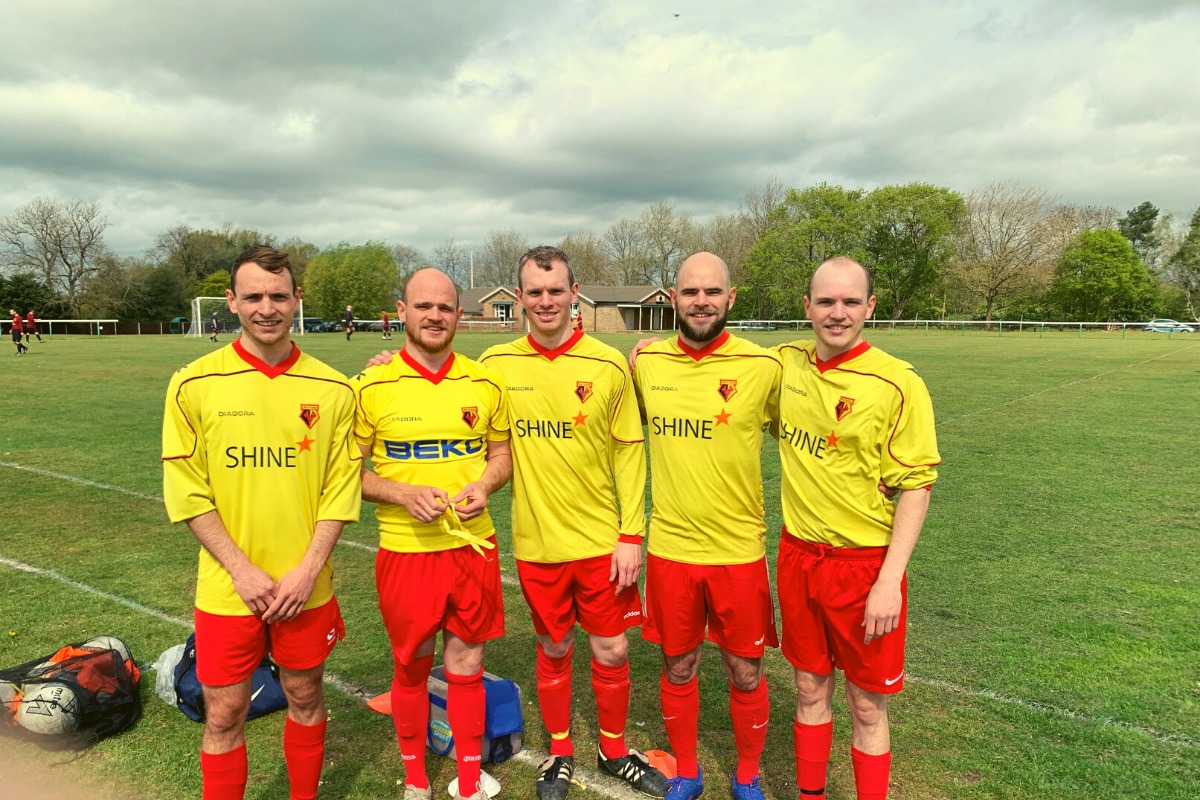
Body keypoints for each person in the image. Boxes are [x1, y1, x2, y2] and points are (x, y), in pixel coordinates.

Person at [161, 245, 362, 800]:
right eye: (253, 296)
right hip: (230, 588)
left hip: (307, 583)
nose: (266, 308)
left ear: (298, 299)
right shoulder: (193, 384)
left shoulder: (334, 389)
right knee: (223, 713)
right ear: (231, 301)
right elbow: (187, 491)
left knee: (305, 695)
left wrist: (306, 570)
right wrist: (242, 570)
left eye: (278, 296)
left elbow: (339, 491)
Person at [479, 246, 668, 799]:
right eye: (534, 292)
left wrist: (631, 534)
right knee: (554, 647)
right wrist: (388, 362)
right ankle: (560, 753)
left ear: (573, 292)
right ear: (518, 298)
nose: (545, 301)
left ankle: (613, 750)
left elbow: (630, 452)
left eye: (555, 290)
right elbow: (443, 388)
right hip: (537, 545)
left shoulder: (607, 364)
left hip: (601, 544)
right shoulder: (494, 367)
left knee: (612, 650)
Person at [775, 257, 940, 800]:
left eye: (850, 302)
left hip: (864, 568)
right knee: (806, 685)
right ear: (807, 307)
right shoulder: (785, 363)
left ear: (869, 307)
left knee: (867, 704)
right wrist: (648, 348)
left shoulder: (897, 382)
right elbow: (716, 361)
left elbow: (916, 484)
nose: (837, 313)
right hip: (799, 557)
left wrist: (889, 581)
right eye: (825, 301)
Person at [352, 268, 512, 800]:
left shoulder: (485, 383)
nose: (435, 316)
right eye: (424, 306)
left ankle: (468, 778)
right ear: (401, 311)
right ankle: (416, 777)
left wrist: (486, 485)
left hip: (472, 546)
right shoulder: (369, 387)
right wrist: (402, 493)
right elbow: (346, 474)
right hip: (407, 552)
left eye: (445, 307)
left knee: (467, 663)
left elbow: (501, 454)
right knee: (412, 664)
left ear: (459, 314)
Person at [632, 252, 781, 800]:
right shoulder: (645, 365)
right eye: (690, 292)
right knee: (678, 666)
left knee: (745, 671)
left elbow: (815, 430)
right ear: (673, 297)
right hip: (671, 547)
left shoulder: (765, 368)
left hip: (739, 551)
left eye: (712, 292)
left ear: (731, 297)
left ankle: (746, 776)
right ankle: (689, 771)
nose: (701, 302)